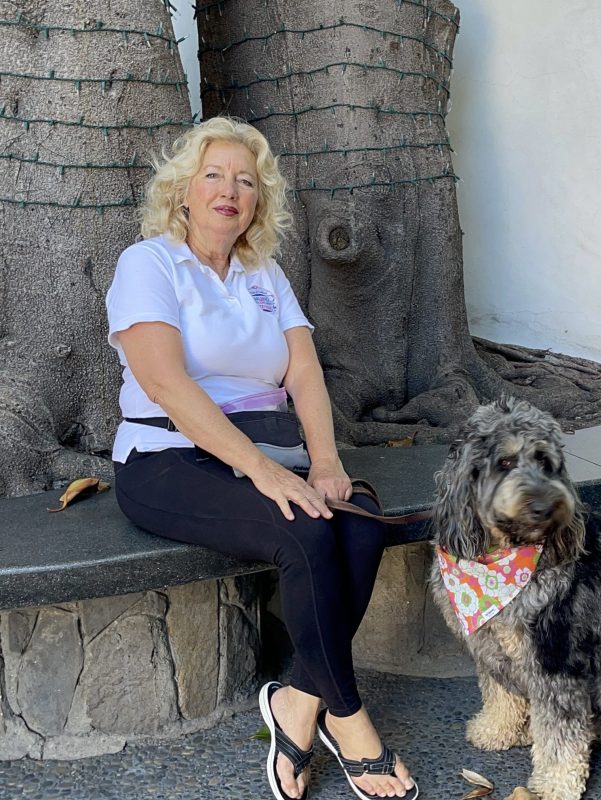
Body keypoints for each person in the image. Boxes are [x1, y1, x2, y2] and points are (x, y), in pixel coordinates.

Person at [106, 116, 418, 800]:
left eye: (245, 181)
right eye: (214, 175)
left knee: (358, 520)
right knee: (304, 530)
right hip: (170, 455)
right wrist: (264, 470)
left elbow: (303, 373)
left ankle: (297, 703)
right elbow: (166, 384)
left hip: (272, 449)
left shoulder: (264, 272)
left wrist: (325, 463)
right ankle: (350, 721)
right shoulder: (149, 264)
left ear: (258, 200)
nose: (229, 191)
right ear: (183, 190)